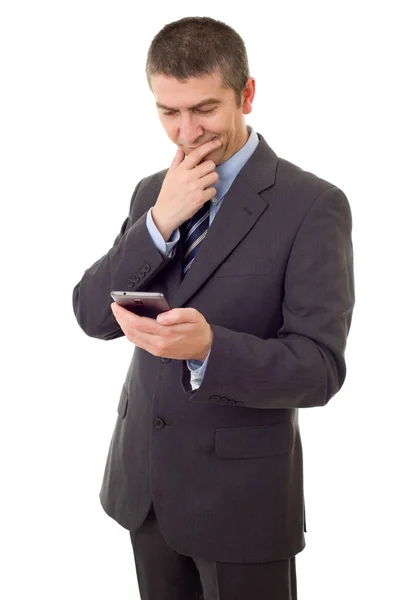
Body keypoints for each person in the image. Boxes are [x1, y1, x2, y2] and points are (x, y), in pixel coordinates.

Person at [72, 16, 355, 600]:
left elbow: (320, 368)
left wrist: (209, 349)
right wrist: (157, 224)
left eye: (203, 109)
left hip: (242, 499)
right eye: (167, 112)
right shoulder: (154, 190)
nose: (184, 132)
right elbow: (92, 316)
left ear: (246, 93)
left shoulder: (313, 205)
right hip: (144, 485)